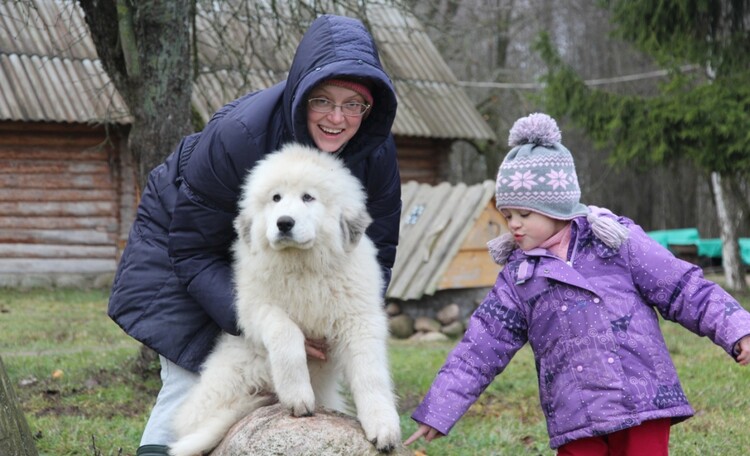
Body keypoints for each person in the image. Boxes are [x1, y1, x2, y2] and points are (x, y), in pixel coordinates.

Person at [108, 14, 401, 456]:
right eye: (322, 100)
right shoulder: (239, 134)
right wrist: (268, 327)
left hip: (289, 268)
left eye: (352, 104)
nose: (337, 118)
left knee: (304, 390)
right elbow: (190, 249)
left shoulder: (374, 151)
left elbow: (374, 251)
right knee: (196, 382)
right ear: (301, 94)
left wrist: (338, 315)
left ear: (369, 108)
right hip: (188, 250)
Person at [404, 112, 750, 455]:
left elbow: (682, 287)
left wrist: (737, 329)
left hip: (643, 401)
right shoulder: (519, 276)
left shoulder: (615, 242)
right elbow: (481, 347)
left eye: (525, 214)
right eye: (508, 215)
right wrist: (439, 410)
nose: (514, 225)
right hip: (576, 414)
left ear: (558, 208)